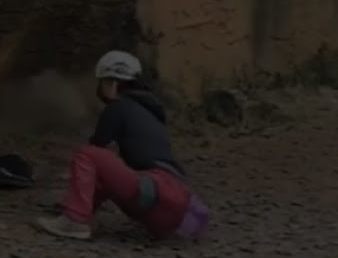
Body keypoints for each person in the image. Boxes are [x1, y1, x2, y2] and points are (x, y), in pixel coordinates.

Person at [34, 50, 210, 242]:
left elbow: (96, 148)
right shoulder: (151, 112)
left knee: (87, 155)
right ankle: (75, 210)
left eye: (102, 82)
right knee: (105, 174)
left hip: (156, 192)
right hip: (172, 207)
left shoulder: (118, 106)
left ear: (112, 83)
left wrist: (61, 159)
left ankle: (74, 221)